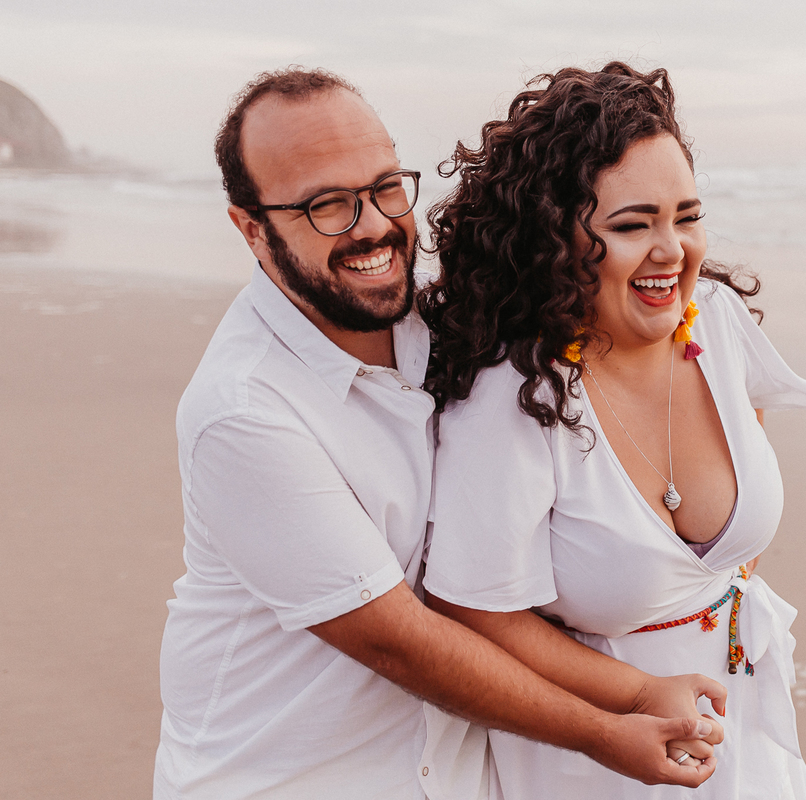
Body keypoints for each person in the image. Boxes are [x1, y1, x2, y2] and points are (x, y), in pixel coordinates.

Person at [154, 67, 726, 800]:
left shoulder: (451, 329)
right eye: (327, 205)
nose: (371, 225)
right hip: (284, 781)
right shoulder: (245, 411)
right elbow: (398, 641)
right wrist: (609, 727)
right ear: (252, 229)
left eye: (385, 187)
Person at [419, 62, 806, 798]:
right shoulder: (515, 393)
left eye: (686, 216)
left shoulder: (716, 322)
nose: (671, 251)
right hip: (599, 754)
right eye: (631, 225)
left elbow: (746, 452)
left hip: (740, 722)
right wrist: (641, 690)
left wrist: (712, 615)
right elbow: (474, 610)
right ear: (552, 237)